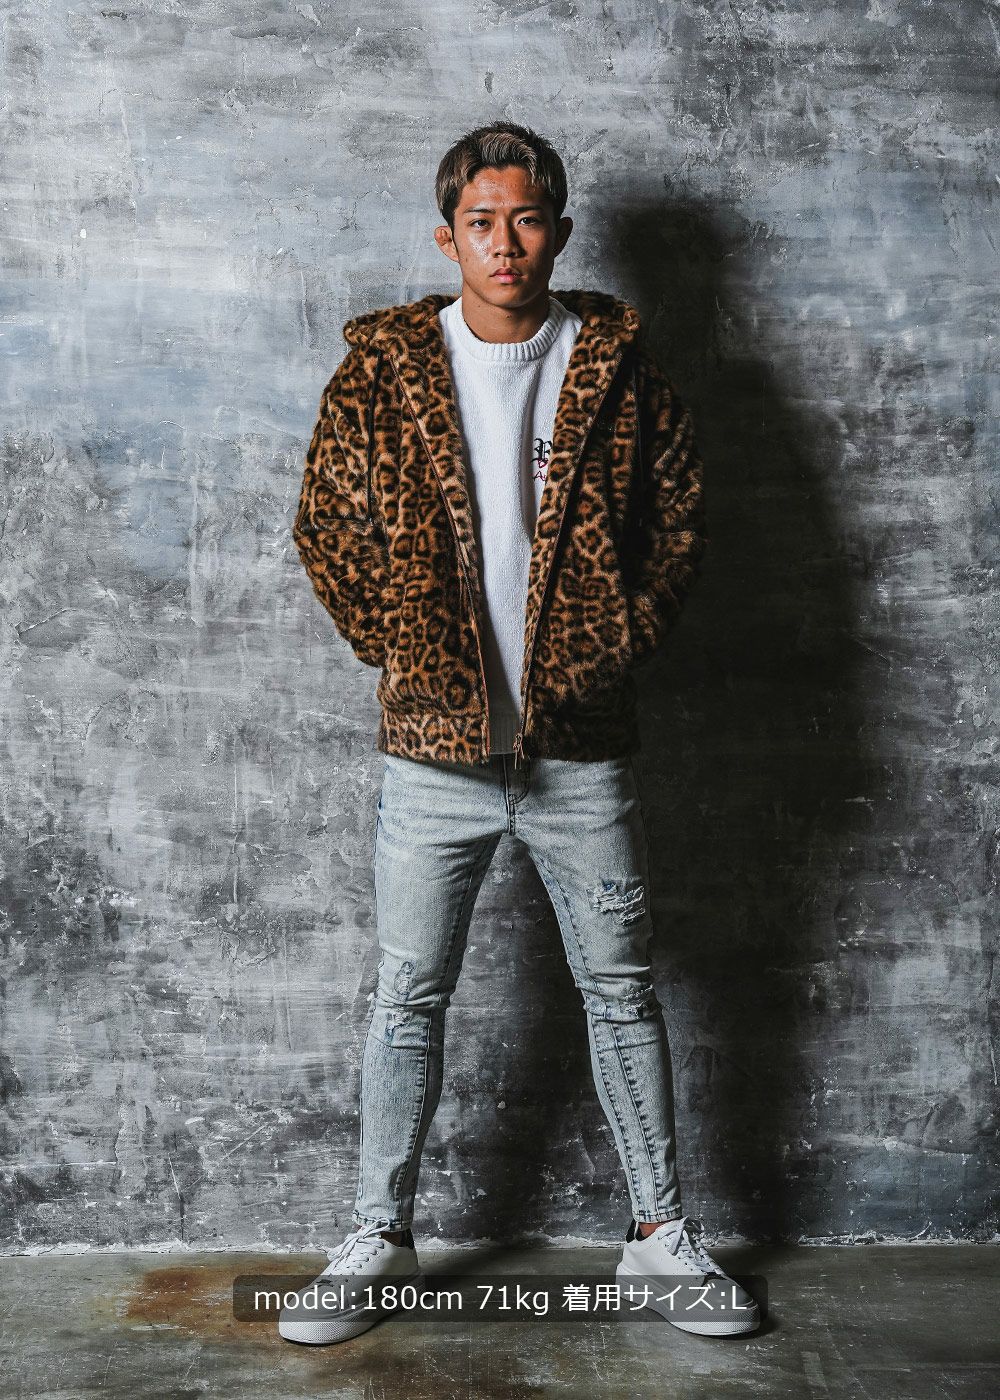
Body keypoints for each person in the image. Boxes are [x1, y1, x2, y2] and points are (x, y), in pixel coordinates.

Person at [280, 121, 759, 1344]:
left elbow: (680, 516)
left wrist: (619, 636)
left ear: (559, 230)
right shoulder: (386, 370)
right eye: (481, 223)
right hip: (431, 751)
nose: (506, 244)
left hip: (579, 748)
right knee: (406, 994)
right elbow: (325, 522)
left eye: (528, 219)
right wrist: (404, 643)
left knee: (622, 989)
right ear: (448, 237)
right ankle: (378, 1237)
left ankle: (657, 1234)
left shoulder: (614, 365)